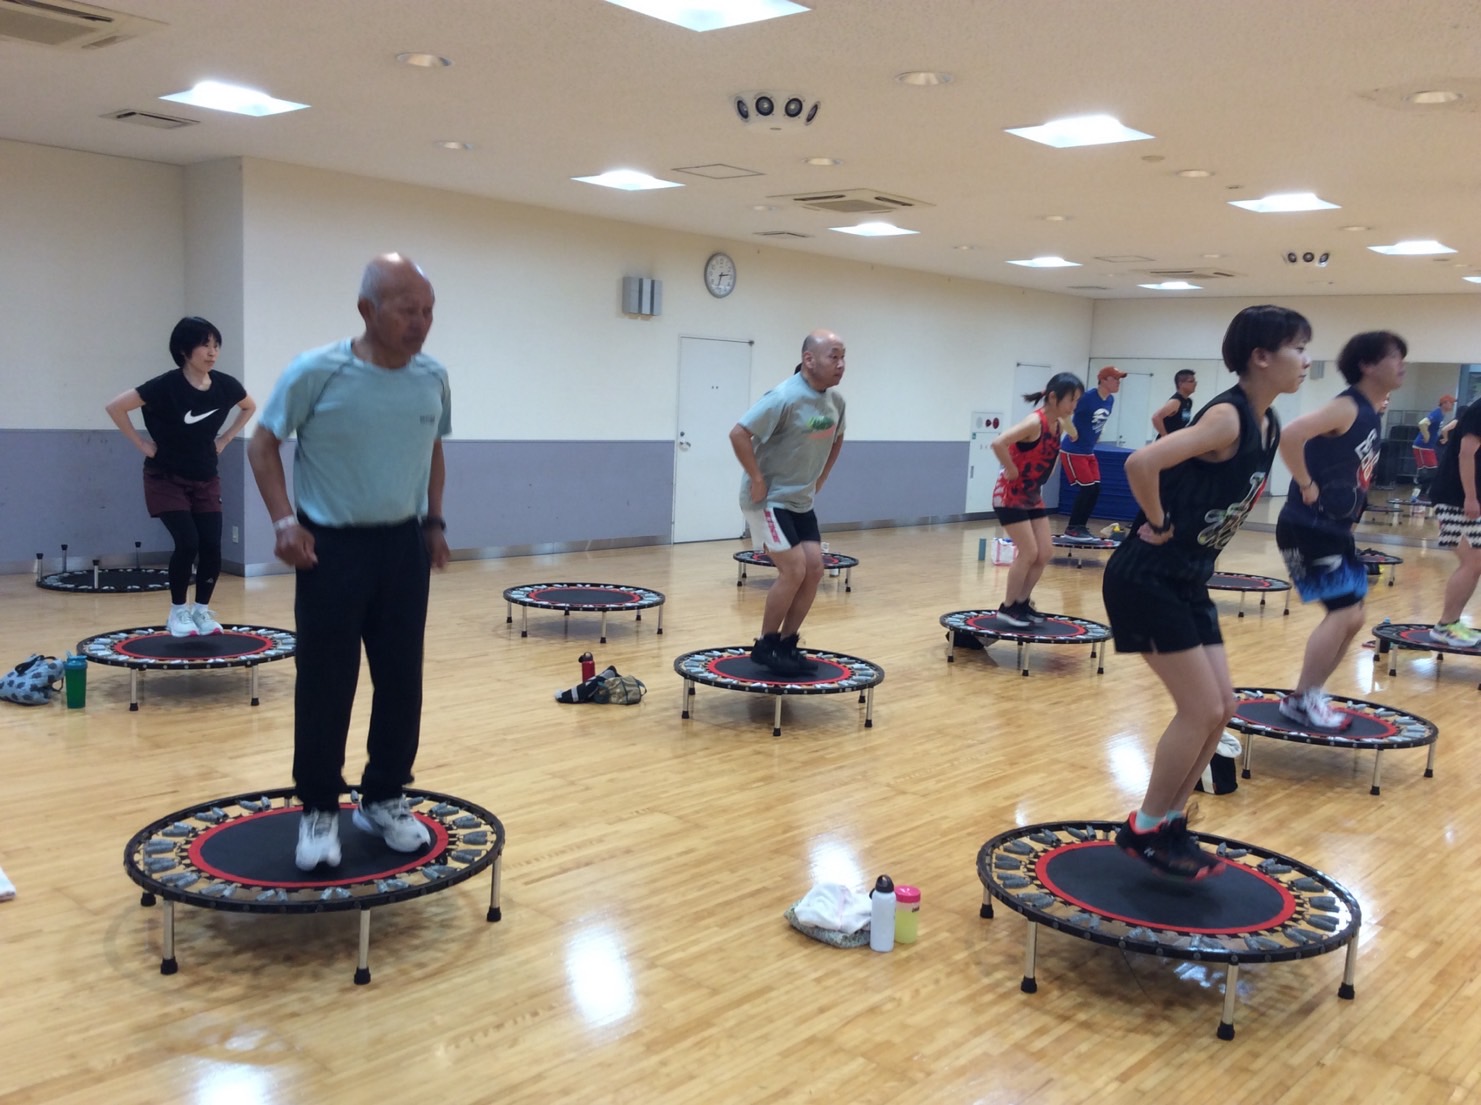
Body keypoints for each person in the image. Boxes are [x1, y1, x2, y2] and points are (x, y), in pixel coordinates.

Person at [247, 254, 451, 871]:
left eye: (428, 311)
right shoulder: (316, 370)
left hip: (402, 547)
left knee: (401, 680)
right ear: (367, 309)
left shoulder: (433, 377)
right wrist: (284, 521)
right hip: (330, 550)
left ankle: (383, 797)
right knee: (326, 683)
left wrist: (434, 522)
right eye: (408, 310)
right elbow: (262, 444)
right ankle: (317, 808)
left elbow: (432, 449)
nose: (421, 323)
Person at [1105, 305, 1311, 879]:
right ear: (1261, 357)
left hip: (1188, 579)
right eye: (1298, 349)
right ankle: (1144, 828)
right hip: (1146, 577)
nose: (1306, 360)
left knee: (1223, 708)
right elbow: (1142, 462)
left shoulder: (1269, 423)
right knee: (1199, 709)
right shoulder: (1228, 419)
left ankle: (1170, 823)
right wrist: (1158, 519)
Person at [1275, 331, 1406, 729]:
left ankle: (1309, 694)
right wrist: (1306, 484)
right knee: (1344, 612)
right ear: (1367, 364)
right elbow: (1290, 434)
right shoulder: (1346, 406)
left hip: (1333, 531)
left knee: (1354, 616)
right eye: (1395, 357)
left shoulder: (1368, 410)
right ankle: (1303, 698)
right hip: (1307, 526)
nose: (1402, 365)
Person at [105, 317, 255, 636]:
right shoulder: (164, 386)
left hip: (206, 477)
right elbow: (116, 407)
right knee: (187, 542)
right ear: (185, 350)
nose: (212, 352)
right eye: (205, 345)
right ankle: (177, 612)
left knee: (211, 544)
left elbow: (249, 406)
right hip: (166, 477)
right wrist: (142, 444)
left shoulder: (226, 386)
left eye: (216, 345)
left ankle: (201, 611)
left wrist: (226, 439)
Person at [729, 329, 846, 674]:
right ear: (809, 359)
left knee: (814, 570)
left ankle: (787, 644)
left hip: (800, 501)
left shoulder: (836, 403)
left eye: (843, 357)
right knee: (793, 569)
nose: (841, 364)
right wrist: (757, 477)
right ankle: (766, 645)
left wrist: (823, 476)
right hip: (769, 500)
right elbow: (739, 433)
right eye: (834, 356)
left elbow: (837, 438)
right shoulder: (783, 396)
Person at [990, 372, 1084, 626]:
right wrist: (1011, 469)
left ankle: (1022, 602)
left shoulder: (1059, 423)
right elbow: (998, 443)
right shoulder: (1034, 422)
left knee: (1044, 552)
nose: (1074, 406)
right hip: (1010, 495)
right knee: (1029, 552)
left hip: (1031, 495)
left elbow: (1063, 442)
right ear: (1053, 398)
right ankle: (1007, 607)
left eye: (1077, 400)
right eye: (1071, 400)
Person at [1426, 398, 1481, 646]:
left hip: (1467, 498)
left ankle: (1452, 622)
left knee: (1476, 563)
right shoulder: (1480, 409)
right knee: (1472, 561)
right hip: (1455, 497)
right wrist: (1470, 497)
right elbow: (1466, 453)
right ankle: (1445, 625)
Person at [1061, 366, 1126, 538]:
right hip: (1073, 451)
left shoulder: (1110, 400)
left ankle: (1081, 526)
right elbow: (1063, 413)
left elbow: (1098, 422)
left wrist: (1098, 434)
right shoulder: (1087, 397)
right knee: (1087, 489)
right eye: (1115, 379)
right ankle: (1072, 527)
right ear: (1103, 380)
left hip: (1088, 451)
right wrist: (1072, 432)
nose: (1118, 382)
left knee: (1096, 489)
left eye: (1119, 379)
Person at [1411, 393, 1455, 500]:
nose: (1453, 405)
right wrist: (1426, 436)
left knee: (1432, 472)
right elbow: (1422, 423)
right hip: (1422, 447)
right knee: (1430, 472)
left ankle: (1421, 493)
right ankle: (1419, 493)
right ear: (1444, 403)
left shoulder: (1441, 414)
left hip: (1428, 447)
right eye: (1451, 403)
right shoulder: (1437, 413)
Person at [1151, 370, 1198, 438]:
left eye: (1195, 381)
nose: (1195, 384)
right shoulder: (1175, 402)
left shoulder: (1188, 401)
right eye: (1191, 381)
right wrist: (1165, 436)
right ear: (1180, 384)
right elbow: (1156, 417)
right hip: (1168, 442)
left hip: (1177, 440)